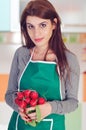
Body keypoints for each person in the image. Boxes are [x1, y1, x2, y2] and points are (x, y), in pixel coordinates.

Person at [5, 0, 80, 130]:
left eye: (43, 25)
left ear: (54, 24)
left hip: (53, 125)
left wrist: (50, 108)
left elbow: (73, 103)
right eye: (30, 26)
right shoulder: (21, 54)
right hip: (19, 125)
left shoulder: (69, 60)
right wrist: (20, 108)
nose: (36, 33)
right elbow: (9, 94)